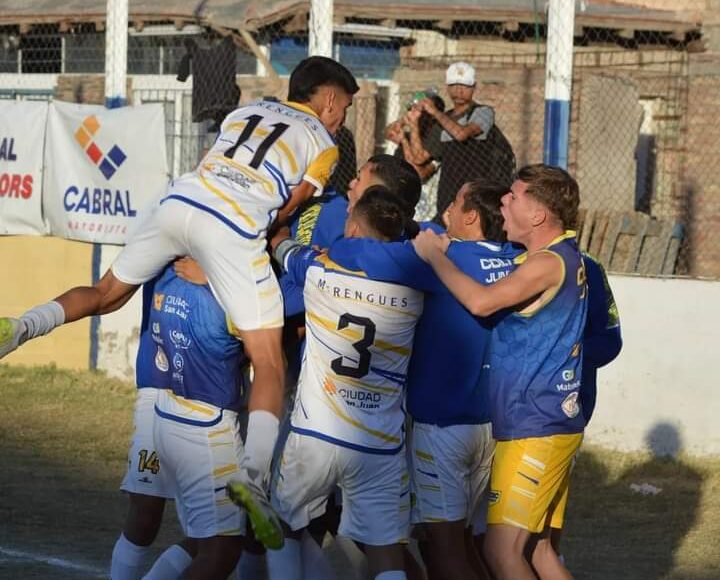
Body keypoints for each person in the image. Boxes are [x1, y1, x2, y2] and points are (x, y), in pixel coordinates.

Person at [0, 55, 360, 550]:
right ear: (330, 99)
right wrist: (235, 254)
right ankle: (253, 480)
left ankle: (22, 326)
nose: (342, 119)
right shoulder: (324, 142)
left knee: (105, 294)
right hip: (232, 225)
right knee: (269, 362)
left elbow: (212, 162)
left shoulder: (246, 111)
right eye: (345, 108)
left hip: (180, 202)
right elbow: (287, 208)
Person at [412, 164, 586, 580]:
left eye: (514, 196)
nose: (504, 201)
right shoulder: (554, 255)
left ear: (538, 214)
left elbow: (482, 302)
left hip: (536, 425)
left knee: (501, 551)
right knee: (538, 551)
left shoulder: (547, 263)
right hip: (539, 421)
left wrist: (434, 255)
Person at [263, 187, 423, 580]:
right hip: (379, 442)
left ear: (352, 228)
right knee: (385, 549)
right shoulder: (416, 292)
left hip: (316, 433)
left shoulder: (319, 272)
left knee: (283, 526)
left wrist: (279, 231)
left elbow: (286, 250)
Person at [413, 61, 515, 222]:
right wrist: (413, 122)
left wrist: (435, 112)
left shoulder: (483, 112)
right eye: (454, 86)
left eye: (465, 86)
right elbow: (420, 157)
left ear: (473, 87)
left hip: (477, 193)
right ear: (447, 88)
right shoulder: (444, 119)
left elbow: (461, 134)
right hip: (449, 195)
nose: (459, 91)